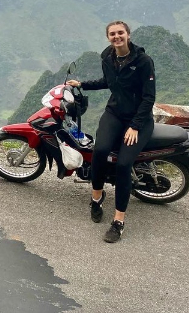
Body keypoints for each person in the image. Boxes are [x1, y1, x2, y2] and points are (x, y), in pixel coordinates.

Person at [67, 20, 156, 243]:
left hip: (139, 120)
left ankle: (118, 221)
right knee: (100, 151)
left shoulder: (143, 61)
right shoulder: (107, 57)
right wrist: (82, 84)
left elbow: (149, 97)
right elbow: (108, 82)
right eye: (112, 34)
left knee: (124, 163)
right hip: (115, 113)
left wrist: (135, 125)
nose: (117, 37)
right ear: (108, 37)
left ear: (128, 34)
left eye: (120, 33)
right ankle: (96, 198)